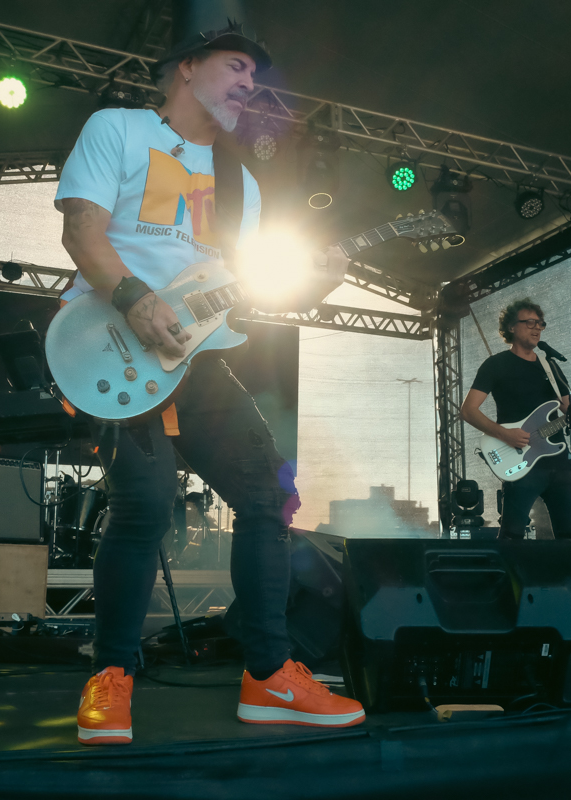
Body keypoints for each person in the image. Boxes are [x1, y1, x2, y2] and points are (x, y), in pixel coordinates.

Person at [55, 13, 364, 746]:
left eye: (255, 75)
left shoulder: (240, 182)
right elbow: (81, 231)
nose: (249, 83)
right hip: (113, 344)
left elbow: (239, 291)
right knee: (145, 503)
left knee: (268, 495)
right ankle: (110, 674)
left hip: (197, 357)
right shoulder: (118, 129)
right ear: (188, 67)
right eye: (236, 66)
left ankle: (269, 675)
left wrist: (316, 284)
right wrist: (136, 299)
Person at [460, 298, 571, 540]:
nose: (537, 327)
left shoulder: (551, 367)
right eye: (529, 322)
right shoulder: (495, 365)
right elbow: (468, 410)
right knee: (512, 536)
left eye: (540, 323)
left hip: (559, 463)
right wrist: (505, 434)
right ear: (511, 327)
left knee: (569, 537)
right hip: (521, 462)